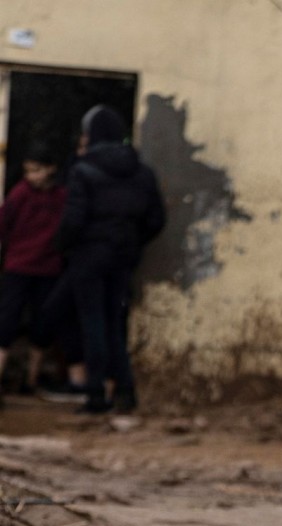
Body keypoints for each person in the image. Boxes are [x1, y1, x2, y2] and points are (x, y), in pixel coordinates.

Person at [53, 105, 165, 414]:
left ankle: (96, 394)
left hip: (89, 258)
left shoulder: (83, 170)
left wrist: (62, 247)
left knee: (92, 323)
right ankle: (125, 391)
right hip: (123, 257)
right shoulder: (142, 172)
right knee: (115, 322)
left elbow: (73, 220)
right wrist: (130, 241)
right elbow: (156, 219)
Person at [0, 141, 67, 400]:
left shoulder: (62, 197)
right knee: (6, 323)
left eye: (37, 170)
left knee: (42, 326)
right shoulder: (21, 193)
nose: (32, 177)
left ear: (51, 169)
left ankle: (31, 380)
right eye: (28, 171)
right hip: (20, 267)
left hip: (47, 269)